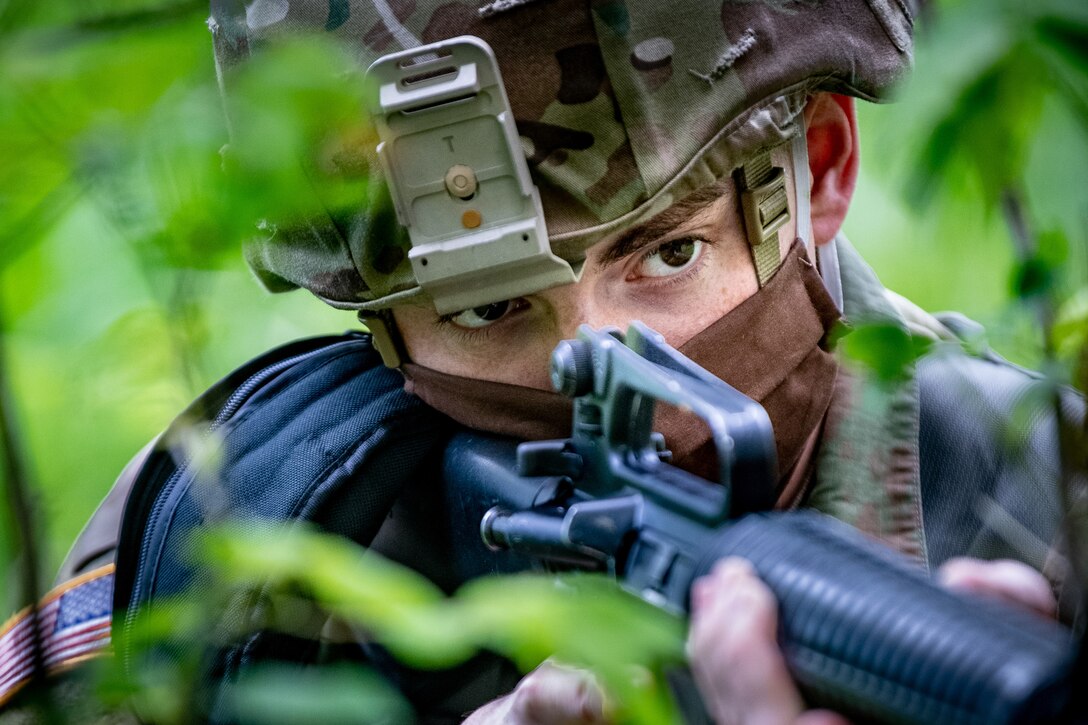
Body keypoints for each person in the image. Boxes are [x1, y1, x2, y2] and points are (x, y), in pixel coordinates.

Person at [3, 0, 1078, 722]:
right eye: (491, 305)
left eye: (665, 251)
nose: (593, 361)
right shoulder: (246, 521)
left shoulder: (1038, 492)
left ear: (822, 174)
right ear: (382, 322)